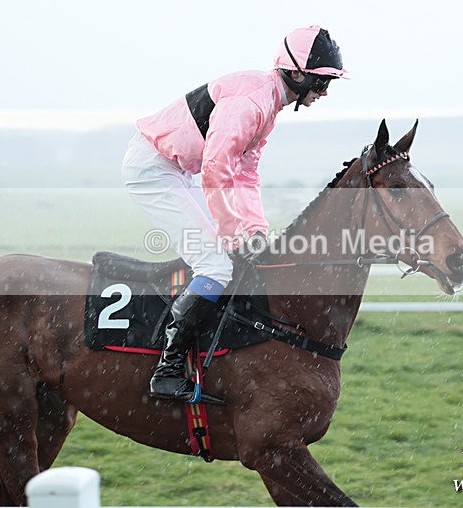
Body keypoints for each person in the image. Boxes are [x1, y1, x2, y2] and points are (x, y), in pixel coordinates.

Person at [122, 25, 348, 401]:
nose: (324, 92)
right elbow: (215, 168)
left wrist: (255, 231)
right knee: (217, 265)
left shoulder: (269, 104)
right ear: (296, 73)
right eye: (322, 82)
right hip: (153, 171)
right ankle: (167, 369)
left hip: (178, 169)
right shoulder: (253, 101)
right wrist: (232, 234)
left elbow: (245, 173)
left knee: (230, 256)